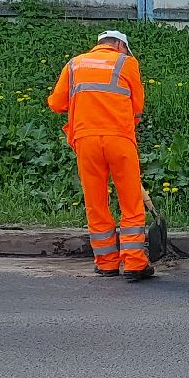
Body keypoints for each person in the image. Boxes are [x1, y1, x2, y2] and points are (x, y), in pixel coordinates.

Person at [47, 30, 153, 280]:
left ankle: (106, 262)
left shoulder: (75, 64)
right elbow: (137, 107)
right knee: (130, 203)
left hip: (86, 141)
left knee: (96, 203)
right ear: (119, 45)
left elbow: (56, 104)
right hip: (119, 139)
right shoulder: (127, 63)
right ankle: (135, 264)